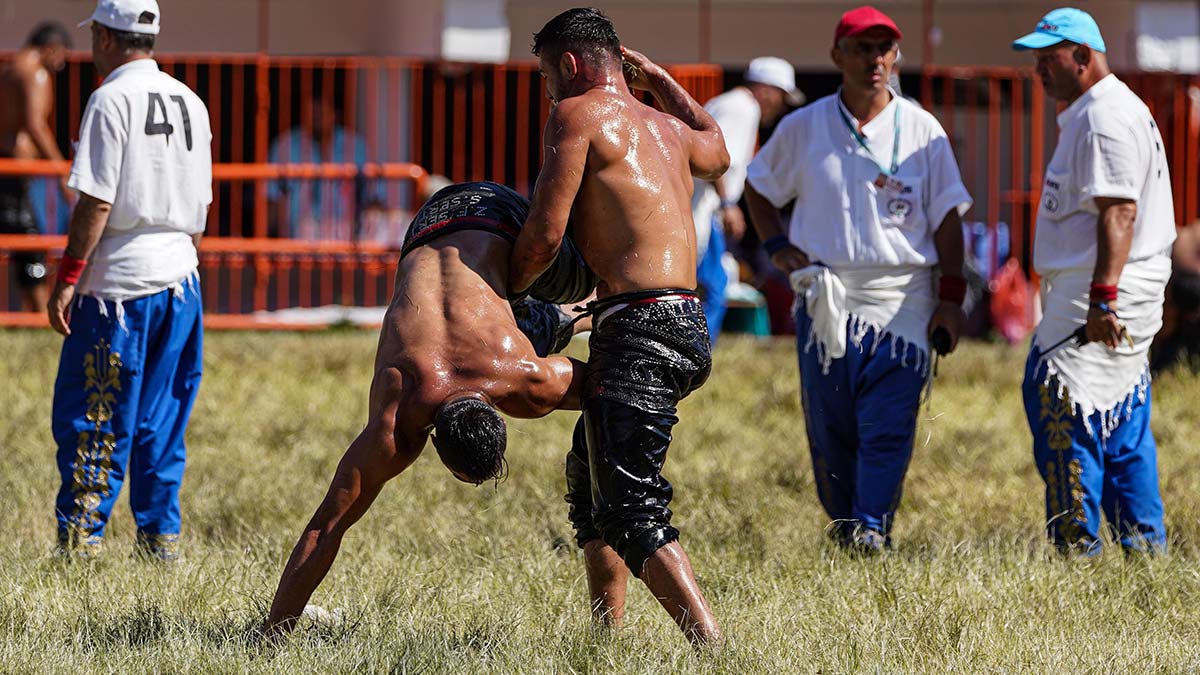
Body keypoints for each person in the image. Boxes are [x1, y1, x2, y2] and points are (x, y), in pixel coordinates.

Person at [264, 181, 597, 635]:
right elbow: (617, 390)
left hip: (466, 218)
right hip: (438, 225)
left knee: (565, 298)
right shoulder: (412, 412)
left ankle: (571, 315)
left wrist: (274, 632)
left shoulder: (520, 378)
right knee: (563, 301)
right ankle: (570, 314)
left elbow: (326, 528)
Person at [509, 8, 730, 645]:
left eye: (548, 75)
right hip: (684, 322)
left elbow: (544, 235)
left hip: (639, 327)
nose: (548, 89)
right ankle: (606, 637)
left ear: (570, 66)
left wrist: (510, 293)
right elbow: (717, 149)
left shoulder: (576, 115)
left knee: (631, 506)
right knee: (589, 478)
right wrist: (660, 80)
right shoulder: (665, 124)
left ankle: (711, 647)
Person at [743, 5, 972, 552]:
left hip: (904, 298)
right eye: (863, 48)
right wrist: (777, 247)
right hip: (827, 295)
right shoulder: (804, 126)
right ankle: (847, 525)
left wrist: (952, 298)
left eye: (884, 49)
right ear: (837, 56)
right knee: (830, 425)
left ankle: (873, 526)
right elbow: (758, 187)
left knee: (887, 422)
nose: (875, 59)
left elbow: (947, 217)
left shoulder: (922, 129)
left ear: (895, 57)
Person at [47, 0, 212, 561]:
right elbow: (200, 209)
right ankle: (159, 538)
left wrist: (68, 276)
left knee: (94, 413)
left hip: (119, 286)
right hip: (181, 281)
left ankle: (81, 540)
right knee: (164, 416)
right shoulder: (191, 100)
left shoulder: (109, 98)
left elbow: (96, 201)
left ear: (104, 36)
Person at [1012, 8, 1176, 555]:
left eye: (1048, 58)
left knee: (1063, 406)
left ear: (1083, 56)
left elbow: (1119, 212)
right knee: (1123, 419)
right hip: (1117, 290)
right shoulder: (1109, 109)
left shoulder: (1104, 116)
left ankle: (1077, 549)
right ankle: (1144, 550)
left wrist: (1102, 299)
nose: (1039, 71)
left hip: (1099, 296)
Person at [693, 56, 804, 344]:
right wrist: (728, 204)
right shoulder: (743, 107)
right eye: (781, 97)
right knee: (711, 287)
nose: (780, 107)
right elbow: (717, 157)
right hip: (706, 208)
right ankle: (696, 352)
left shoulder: (730, 103)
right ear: (767, 89)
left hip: (705, 206)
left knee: (708, 283)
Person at [0, 21, 74, 312]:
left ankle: (37, 315)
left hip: (8, 166)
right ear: (51, 48)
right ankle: (40, 317)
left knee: (25, 243)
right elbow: (35, 125)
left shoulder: (9, 70)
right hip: (15, 170)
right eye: (61, 56)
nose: (61, 64)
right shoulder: (35, 74)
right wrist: (61, 172)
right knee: (30, 244)